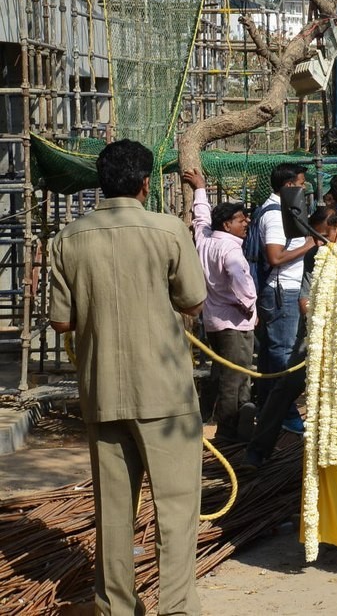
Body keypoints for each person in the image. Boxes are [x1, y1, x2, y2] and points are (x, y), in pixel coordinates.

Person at [47, 140, 207, 614]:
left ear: (100, 183)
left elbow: (60, 322)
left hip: (103, 390)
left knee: (114, 514)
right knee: (176, 511)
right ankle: (175, 608)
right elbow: (194, 300)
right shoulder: (168, 229)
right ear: (144, 183)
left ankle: (115, 607)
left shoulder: (68, 238)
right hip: (166, 392)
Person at [246, 207, 337, 468]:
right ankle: (257, 450)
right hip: (314, 337)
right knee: (285, 387)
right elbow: (304, 302)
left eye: (330, 239)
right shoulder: (316, 258)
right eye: (324, 238)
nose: (326, 244)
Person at [182, 167, 257, 443]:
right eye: (240, 220)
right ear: (227, 225)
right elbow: (242, 282)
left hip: (215, 322)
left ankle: (238, 427)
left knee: (230, 374)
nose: (245, 223)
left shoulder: (205, 241)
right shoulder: (230, 249)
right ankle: (228, 433)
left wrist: (200, 188)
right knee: (234, 379)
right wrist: (250, 306)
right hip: (234, 323)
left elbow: (201, 218)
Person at [256, 164, 315, 435]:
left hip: (281, 289)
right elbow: (275, 257)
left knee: (272, 354)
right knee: (283, 353)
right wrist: (309, 245)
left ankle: (269, 410)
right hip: (283, 291)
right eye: (301, 184)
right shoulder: (276, 216)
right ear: (289, 186)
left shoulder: (280, 211)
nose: (304, 189)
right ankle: (286, 413)